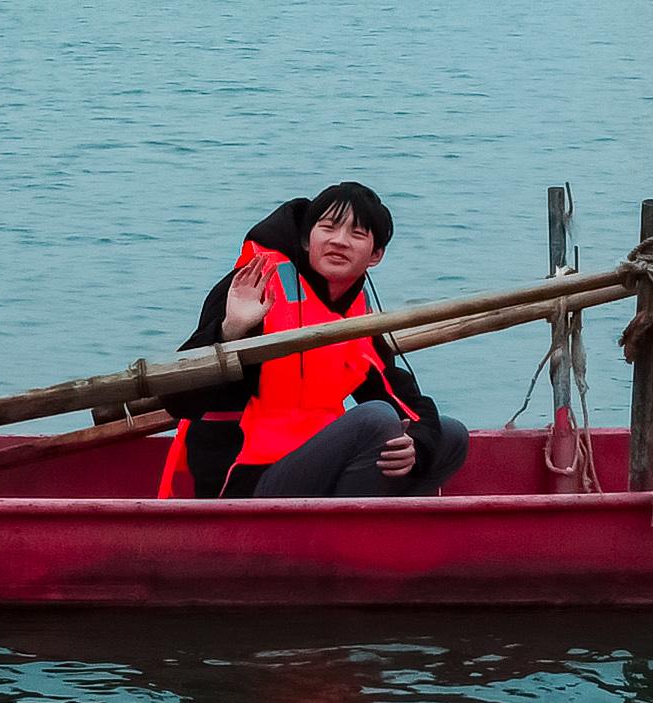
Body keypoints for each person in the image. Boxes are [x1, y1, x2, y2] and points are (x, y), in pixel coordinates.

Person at [154, 183, 471, 499]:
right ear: (307, 239)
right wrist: (230, 331)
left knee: (449, 435)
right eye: (328, 228)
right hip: (243, 477)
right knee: (376, 420)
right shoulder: (251, 286)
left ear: (375, 256)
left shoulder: (355, 314)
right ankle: (342, 538)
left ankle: (369, 533)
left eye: (357, 234)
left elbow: (399, 396)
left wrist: (418, 445)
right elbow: (178, 400)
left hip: (310, 466)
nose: (339, 241)